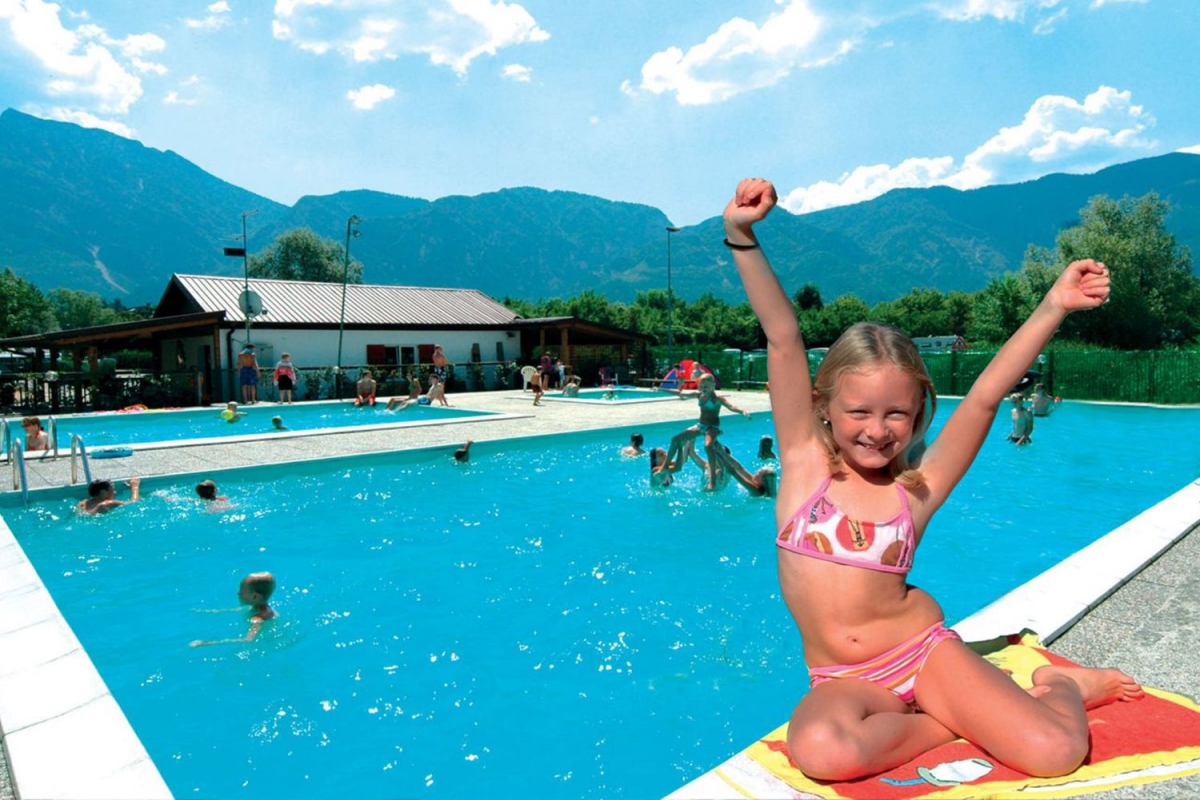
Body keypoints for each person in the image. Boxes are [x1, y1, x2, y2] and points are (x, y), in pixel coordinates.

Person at [723, 176, 1138, 782]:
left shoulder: (913, 490)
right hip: (843, 680)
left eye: (897, 413)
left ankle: (1063, 687)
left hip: (923, 654)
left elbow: (985, 398)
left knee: (1056, 753)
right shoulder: (804, 465)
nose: (876, 429)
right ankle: (949, 720)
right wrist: (741, 237)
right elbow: (784, 338)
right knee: (822, 753)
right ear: (825, 409)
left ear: (918, 413)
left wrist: (1054, 305)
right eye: (858, 412)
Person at [662, 372, 751, 484]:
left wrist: (742, 411)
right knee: (675, 439)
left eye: (706, 387)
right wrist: (662, 389)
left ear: (713, 386)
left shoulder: (718, 399)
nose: (703, 389)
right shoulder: (699, 395)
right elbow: (681, 394)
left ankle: (712, 480)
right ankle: (664, 467)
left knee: (708, 446)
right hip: (701, 425)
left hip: (712, 427)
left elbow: (731, 406)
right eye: (701, 386)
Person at [190, 572, 277, 647]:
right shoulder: (258, 605)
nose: (238, 593)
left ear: (255, 596)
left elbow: (248, 639)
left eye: (242, 592)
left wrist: (206, 643)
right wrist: (210, 612)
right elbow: (239, 609)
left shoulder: (258, 618)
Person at [708, 444, 777, 497]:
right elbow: (740, 468)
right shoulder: (758, 484)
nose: (755, 473)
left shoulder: (756, 491)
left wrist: (717, 454)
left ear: (762, 481)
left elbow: (733, 472)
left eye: (758, 473)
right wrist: (722, 452)